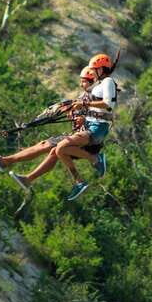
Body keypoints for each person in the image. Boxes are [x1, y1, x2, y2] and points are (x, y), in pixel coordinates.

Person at [0, 66, 106, 198]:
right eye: (81, 81)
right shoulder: (83, 97)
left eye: (85, 81)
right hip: (79, 137)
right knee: (50, 149)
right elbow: (59, 109)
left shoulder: (97, 97)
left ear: (93, 81)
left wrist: (83, 116)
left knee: (47, 146)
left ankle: (5, 161)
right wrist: (30, 123)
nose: (82, 84)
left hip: (89, 140)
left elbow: (101, 115)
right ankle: (27, 179)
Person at [40, 53, 116, 201]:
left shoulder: (108, 82)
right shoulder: (98, 86)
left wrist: (84, 104)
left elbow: (108, 104)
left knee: (60, 147)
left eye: (95, 70)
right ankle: (79, 181)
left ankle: (95, 159)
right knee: (60, 150)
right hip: (91, 125)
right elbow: (94, 107)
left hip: (98, 127)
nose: (93, 72)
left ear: (102, 69)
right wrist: (79, 114)